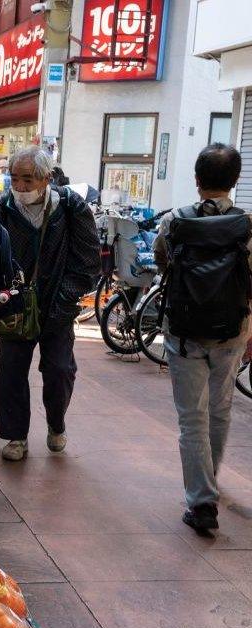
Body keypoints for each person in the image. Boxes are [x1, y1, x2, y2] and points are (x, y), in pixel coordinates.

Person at [153, 143, 251, 535]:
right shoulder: (247, 225)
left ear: (197, 181)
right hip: (232, 329)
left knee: (192, 417)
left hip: (184, 330)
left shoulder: (175, 221)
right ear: (236, 180)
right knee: (220, 408)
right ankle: (207, 482)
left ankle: (202, 499)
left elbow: (163, 260)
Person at [0, 146, 100, 461]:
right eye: (15, 179)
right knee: (11, 371)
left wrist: (65, 297)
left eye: (28, 179)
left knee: (58, 369)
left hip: (58, 306)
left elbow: (88, 261)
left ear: (47, 178)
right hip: (15, 307)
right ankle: (15, 437)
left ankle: (56, 423)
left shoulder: (71, 207)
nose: (21, 187)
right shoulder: (3, 208)